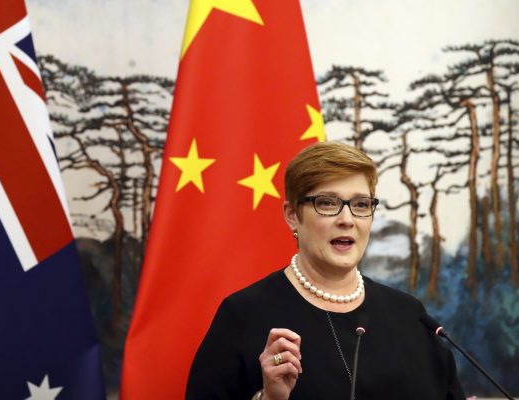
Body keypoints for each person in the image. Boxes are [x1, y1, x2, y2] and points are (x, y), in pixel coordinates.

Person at [186, 141, 466, 399]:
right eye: (328, 203)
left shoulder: (411, 316)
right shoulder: (243, 315)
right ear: (293, 216)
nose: (347, 219)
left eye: (360, 204)